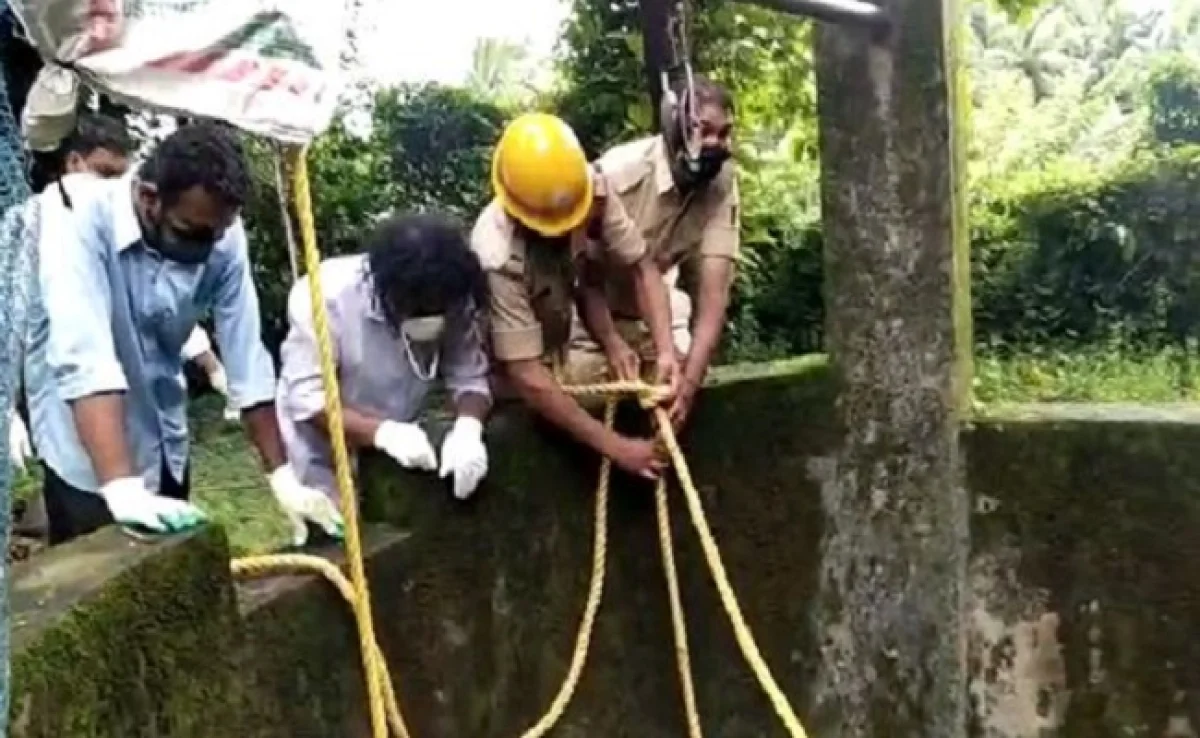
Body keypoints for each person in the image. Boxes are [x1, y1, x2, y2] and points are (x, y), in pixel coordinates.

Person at [23, 122, 343, 546]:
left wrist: (283, 478)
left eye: (217, 235)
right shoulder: (74, 216)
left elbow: (247, 358)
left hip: (166, 441)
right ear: (148, 198)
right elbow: (85, 357)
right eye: (192, 234)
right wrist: (121, 487)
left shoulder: (219, 231)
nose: (206, 248)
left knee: (173, 567)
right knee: (102, 570)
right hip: (87, 459)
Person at [471, 112, 680, 481]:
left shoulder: (590, 190)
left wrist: (657, 350)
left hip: (562, 350)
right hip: (513, 380)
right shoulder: (496, 255)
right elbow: (526, 373)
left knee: (663, 362)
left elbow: (639, 267)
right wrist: (618, 448)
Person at [276, 212, 492, 509]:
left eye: (437, 307)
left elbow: (469, 377)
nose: (429, 313)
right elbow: (308, 401)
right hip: (322, 443)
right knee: (332, 519)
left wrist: (469, 427)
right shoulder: (325, 296)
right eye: (418, 307)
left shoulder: (453, 293)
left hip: (399, 436)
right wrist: (384, 434)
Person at [566, 75, 739, 429]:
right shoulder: (617, 174)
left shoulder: (721, 185)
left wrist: (688, 384)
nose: (715, 144)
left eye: (723, 134)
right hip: (591, 320)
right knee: (584, 396)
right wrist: (612, 343)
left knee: (676, 391)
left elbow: (714, 294)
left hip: (659, 317)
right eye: (704, 131)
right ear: (676, 128)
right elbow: (586, 279)